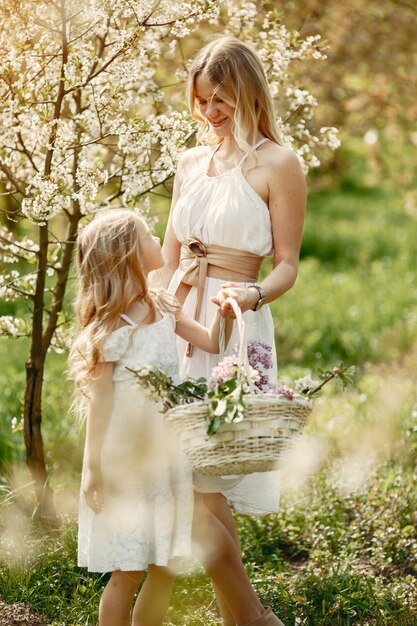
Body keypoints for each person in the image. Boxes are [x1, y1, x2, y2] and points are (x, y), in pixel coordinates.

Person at [153, 35, 306, 625]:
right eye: (201, 102)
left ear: (247, 92)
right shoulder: (190, 163)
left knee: (205, 473)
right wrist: (154, 324)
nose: (211, 113)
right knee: (186, 473)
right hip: (180, 318)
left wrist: (252, 291)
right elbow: (168, 257)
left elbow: (288, 264)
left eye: (221, 99)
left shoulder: (279, 163)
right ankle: (245, 617)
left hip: (236, 322)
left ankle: (248, 616)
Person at [70, 208, 285, 626]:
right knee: (127, 570)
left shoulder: (163, 305)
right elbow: (100, 404)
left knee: (165, 564)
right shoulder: (111, 327)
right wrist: (94, 469)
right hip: (125, 463)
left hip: (168, 459)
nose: (160, 241)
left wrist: (223, 317)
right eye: (149, 236)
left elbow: (207, 340)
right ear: (129, 255)